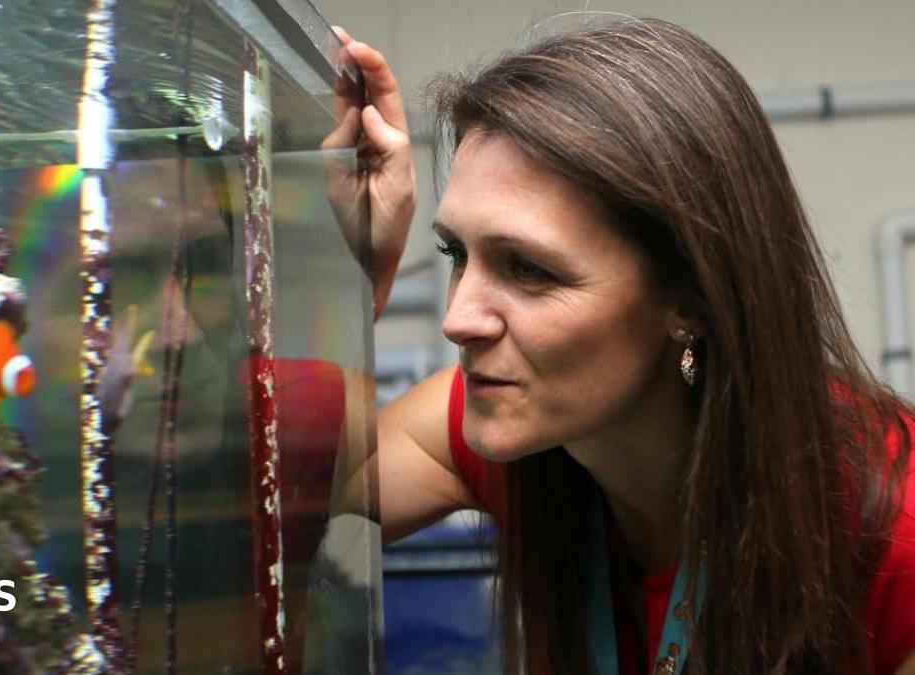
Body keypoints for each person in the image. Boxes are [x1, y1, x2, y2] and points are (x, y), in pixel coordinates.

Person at [333, 17, 915, 675]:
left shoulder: (893, 535)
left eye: (529, 268)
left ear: (691, 297)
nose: (458, 317)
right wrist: (353, 271)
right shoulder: (529, 428)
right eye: (457, 254)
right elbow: (276, 468)